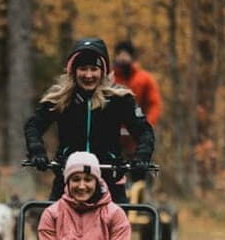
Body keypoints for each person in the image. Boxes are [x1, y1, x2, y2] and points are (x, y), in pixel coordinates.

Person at [25, 37, 155, 203]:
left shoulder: (119, 99)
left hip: (109, 179)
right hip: (68, 180)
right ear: (73, 70)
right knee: (52, 224)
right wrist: (37, 150)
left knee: (118, 227)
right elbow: (34, 125)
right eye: (83, 69)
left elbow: (144, 130)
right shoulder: (60, 98)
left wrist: (142, 155)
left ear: (103, 71)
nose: (88, 75)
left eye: (94, 69)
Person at [37, 152, 131, 240]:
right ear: (67, 182)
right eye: (76, 179)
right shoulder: (51, 214)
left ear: (97, 181)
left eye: (88, 179)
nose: (82, 186)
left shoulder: (115, 214)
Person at [112, 40, 163, 164]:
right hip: (113, 134)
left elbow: (154, 104)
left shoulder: (144, 79)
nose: (123, 57)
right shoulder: (110, 78)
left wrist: (147, 126)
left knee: (140, 168)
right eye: (120, 54)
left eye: (126, 54)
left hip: (137, 133)